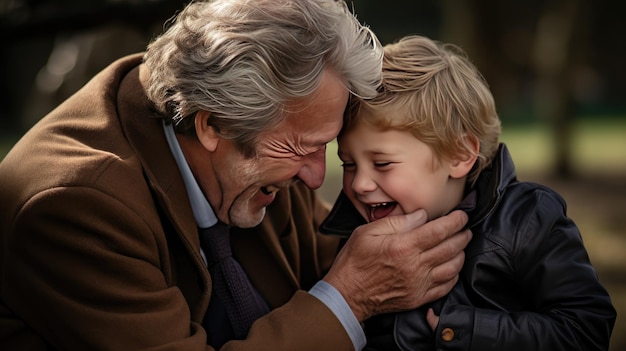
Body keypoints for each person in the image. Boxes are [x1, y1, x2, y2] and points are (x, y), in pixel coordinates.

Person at [0, 2, 473, 350]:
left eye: (324, 147)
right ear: (212, 125)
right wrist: (348, 302)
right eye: (304, 148)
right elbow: (351, 284)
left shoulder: (258, 153)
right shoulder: (75, 207)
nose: (315, 178)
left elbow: (342, 257)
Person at [320, 35, 616, 351]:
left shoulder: (525, 221)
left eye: (382, 163)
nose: (360, 183)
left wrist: (462, 330)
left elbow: (586, 330)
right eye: (348, 164)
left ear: (459, 155)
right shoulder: (353, 237)